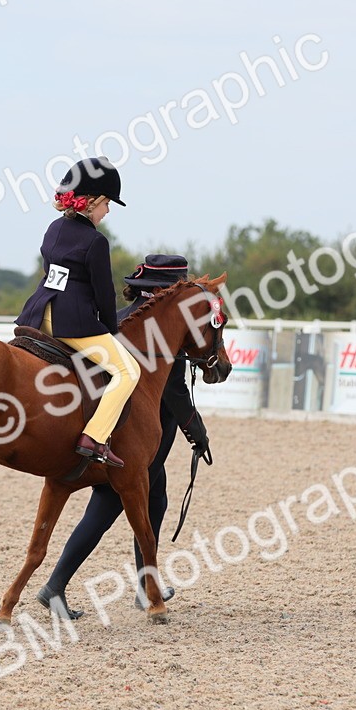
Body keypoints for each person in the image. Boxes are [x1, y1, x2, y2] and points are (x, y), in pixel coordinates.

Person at [36, 254, 211, 618]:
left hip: (111, 426)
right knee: (109, 505)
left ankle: (146, 585)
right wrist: (196, 430)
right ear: (165, 290)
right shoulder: (159, 327)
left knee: (156, 500)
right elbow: (175, 391)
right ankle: (57, 585)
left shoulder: (118, 319)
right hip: (136, 436)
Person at [17, 157, 139, 468]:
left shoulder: (54, 228)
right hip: (72, 323)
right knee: (128, 372)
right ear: (91, 202)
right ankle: (94, 437)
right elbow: (103, 294)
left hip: (39, 312)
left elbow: (54, 273)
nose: (108, 211)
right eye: (107, 204)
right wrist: (112, 329)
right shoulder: (96, 241)